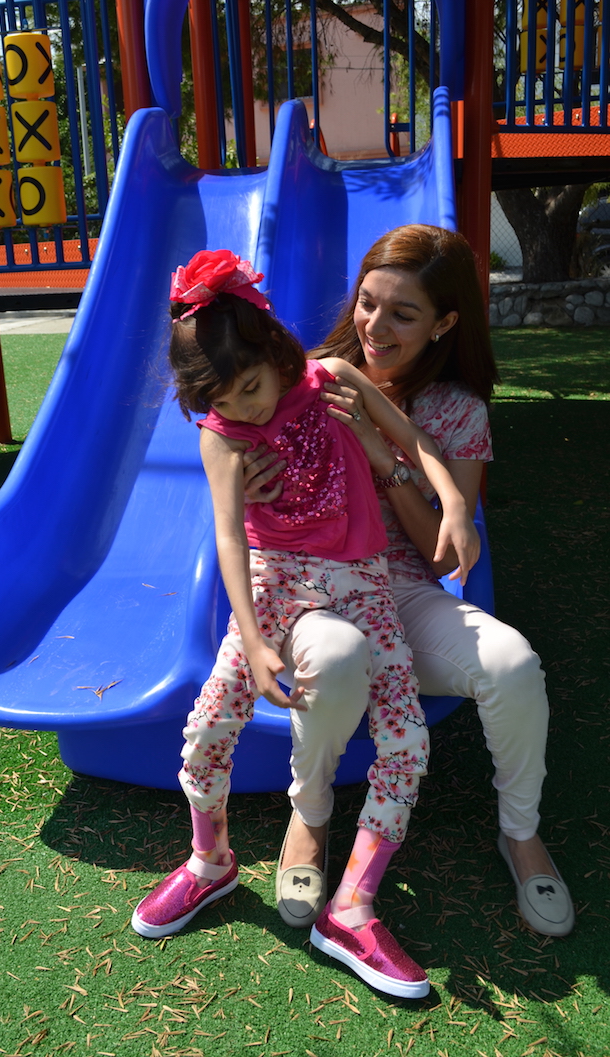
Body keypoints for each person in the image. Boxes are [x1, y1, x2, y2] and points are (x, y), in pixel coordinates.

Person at [131, 248, 480, 1000]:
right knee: (207, 729)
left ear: (272, 347)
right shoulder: (223, 432)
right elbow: (228, 534)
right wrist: (252, 636)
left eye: (253, 386)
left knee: (408, 741)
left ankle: (351, 905)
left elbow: (415, 440)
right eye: (226, 401)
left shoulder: (333, 381)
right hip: (274, 584)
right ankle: (209, 861)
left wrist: (452, 499)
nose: (249, 408)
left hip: (366, 586)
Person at [244, 224, 575, 940]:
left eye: (403, 314)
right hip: (317, 590)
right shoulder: (310, 379)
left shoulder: (458, 411)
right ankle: (311, 817)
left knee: (513, 663)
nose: (375, 326)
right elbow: (244, 483)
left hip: (405, 592)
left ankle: (520, 833)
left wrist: (379, 456)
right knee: (332, 657)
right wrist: (255, 482)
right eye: (368, 303)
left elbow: (442, 558)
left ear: (444, 323)